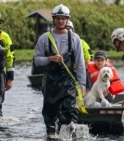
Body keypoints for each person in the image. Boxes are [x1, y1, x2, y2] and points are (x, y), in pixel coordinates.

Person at [33, 4, 86, 137]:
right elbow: (37, 60)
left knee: (70, 112)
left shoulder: (75, 38)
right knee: (50, 115)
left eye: (63, 18)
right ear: (53, 19)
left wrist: (82, 84)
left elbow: (80, 63)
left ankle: (69, 136)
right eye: (58, 18)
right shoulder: (44, 38)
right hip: (50, 81)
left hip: (68, 81)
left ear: (67, 19)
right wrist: (50, 59)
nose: (60, 21)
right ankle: (51, 135)